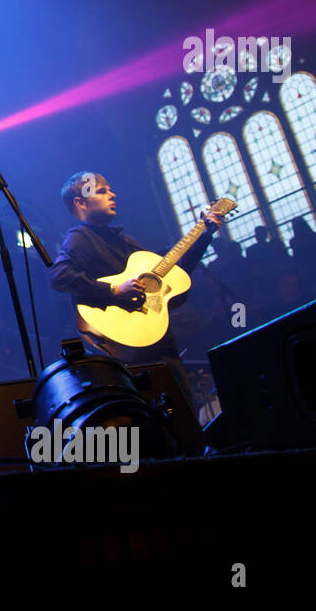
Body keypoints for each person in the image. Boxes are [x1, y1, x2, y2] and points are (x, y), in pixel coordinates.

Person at [48, 171, 222, 424]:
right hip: (128, 351)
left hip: (160, 343)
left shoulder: (126, 242)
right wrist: (113, 292)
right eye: (102, 190)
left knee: (184, 417)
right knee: (155, 424)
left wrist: (204, 235)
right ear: (81, 202)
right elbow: (59, 276)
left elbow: (175, 275)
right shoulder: (80, 238)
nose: (112, 194)